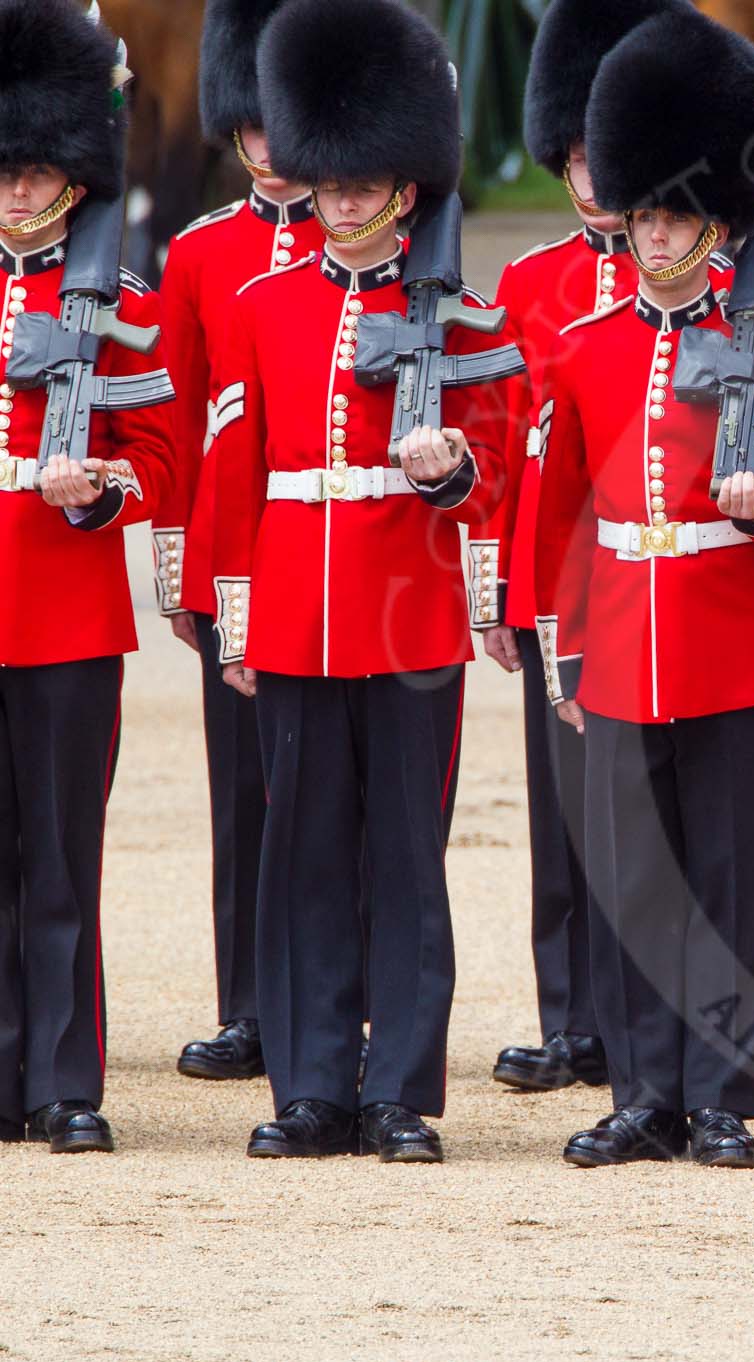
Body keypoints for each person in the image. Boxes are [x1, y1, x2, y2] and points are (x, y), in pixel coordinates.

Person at [208, 0, 514, 1162]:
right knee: (302, 856)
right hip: (292, 613)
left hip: (408, 612)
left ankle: (398, 1091)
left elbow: (494, 472)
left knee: (403, 858)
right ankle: (310, 1084)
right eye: (326, 179)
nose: (337, 199)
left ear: (404, 187)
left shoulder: (460, 313)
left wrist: (449, 475)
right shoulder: (260, 305)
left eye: (359, 181)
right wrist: (236, 611)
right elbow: (239, 470)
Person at [530, 2, 754, 1172]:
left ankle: (723, 1092)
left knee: (728, 877)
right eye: (641, 213)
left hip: (728, 631)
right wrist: (566, 644)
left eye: (673, 214)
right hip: (624, 635)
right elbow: (565, 518)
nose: (652, 232)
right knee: (636, 877)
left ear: (715, 222)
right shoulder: (587, 346)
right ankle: (645, 1089)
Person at [477, 0, 668, 1099]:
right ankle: (573, 1019)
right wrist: (505, 593)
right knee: (561, 814)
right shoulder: (528, 285)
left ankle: (648, 1022)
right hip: (562, 584)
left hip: (660, 575)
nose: (594, 173)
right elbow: (509, 459)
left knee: (649, 818)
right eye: (580, 150)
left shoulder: (710, 284)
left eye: (613, 148)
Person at [0, 0, 177, 1154]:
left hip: (67, 609)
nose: (16, 192)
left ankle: (65, 1078)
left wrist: (99, 490)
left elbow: (160, 461)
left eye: (36, 171)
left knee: (62, 856)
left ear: (76, 177)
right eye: (3, 171)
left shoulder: (122, 307)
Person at [162, 0, 317, 1085]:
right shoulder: (197, 255)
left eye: (282, 119)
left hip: (325, 553)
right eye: (249, 123)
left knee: (331, 799)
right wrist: (180, 566)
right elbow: (173, 423)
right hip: (231, 555)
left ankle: (329, 1000)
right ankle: (250, 1005)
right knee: (241, 796)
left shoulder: (367, 249)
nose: (265, 143)